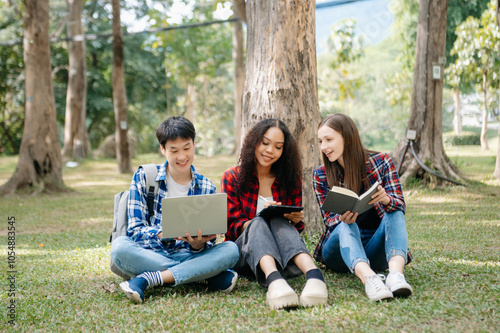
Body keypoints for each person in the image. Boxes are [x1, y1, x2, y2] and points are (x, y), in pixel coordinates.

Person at [111, 116, 240, 304]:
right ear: (162, 149)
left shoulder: (206, 186)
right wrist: (164, 233)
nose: (182, 157)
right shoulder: (145, 177)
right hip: (151, 254)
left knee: (231, 249)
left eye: (187, 148)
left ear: (194, 144)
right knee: (120, 247)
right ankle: (204, 276)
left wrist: (199, 244)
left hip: (190, 254)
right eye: (174, 150)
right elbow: (135, 231)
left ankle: (149, 279)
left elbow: (208, 243)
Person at [221, 118, 328, 310]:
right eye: (265, 143)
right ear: (254, 142)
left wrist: (293, 219)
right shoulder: (232, 177)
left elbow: (295, 229)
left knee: (278, 219)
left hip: (283, 255)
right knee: (260, 221)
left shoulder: (289, 179)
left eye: (278, 147)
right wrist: (262, 216)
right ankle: (274, 281)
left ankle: (314, 276)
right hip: (245, 254)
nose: (270, 151)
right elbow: (231, 226)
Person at [313, 113, 412, 302]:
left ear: (347, 137)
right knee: (344, 224)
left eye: (329, 139)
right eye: (320, 141)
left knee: (395, 212)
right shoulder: (320, 174)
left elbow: (400, 204)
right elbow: (328, 220)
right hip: (339, 251)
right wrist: (343, 217)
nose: (323, 147)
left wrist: (385, 200)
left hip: (377, 248)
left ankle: (396, 276)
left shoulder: (382, 162)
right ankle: (369, 280)